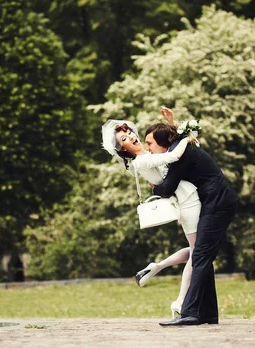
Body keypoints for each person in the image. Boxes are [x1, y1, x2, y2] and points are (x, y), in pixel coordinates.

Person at [101, 117, 201, 318]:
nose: (131, 136)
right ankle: (180, 301)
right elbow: (173, 157)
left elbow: (165, 153)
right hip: (187, 201)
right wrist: (187, 139)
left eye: (129, 132)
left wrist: (171, 125)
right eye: (124, 138)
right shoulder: (141, 161)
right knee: (198, 253)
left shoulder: (146, 155)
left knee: (196, 250)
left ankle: (157, 267)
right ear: (123, 149)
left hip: (186, 198)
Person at [145, 122, 239, 326]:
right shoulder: (180, 147)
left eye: (149, 143)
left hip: (218, 203)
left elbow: (168, 188)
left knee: (200, 256)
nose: (148, 148)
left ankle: (190, 313)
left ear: (163, 143)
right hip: (215, 202)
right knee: (202, 257)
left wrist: (154, 189)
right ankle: (208, 314)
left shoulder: (182, 154)